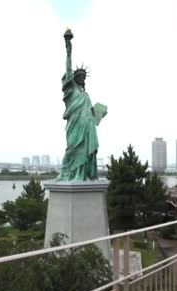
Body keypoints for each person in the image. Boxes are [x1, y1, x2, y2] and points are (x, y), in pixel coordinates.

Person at [57, 29, 104, 181]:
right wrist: (68, 49)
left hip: (87, 127)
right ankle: (67, 173)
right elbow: (68, 68)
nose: (83, 79)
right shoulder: (70, 90)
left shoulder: (86, 95)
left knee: (85, 151)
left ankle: (81, 174)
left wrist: (98, 113)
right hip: (75, 125)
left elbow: (91, 112)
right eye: (80, 76)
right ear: (74, 78)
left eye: (84, 77)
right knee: (71, 149)